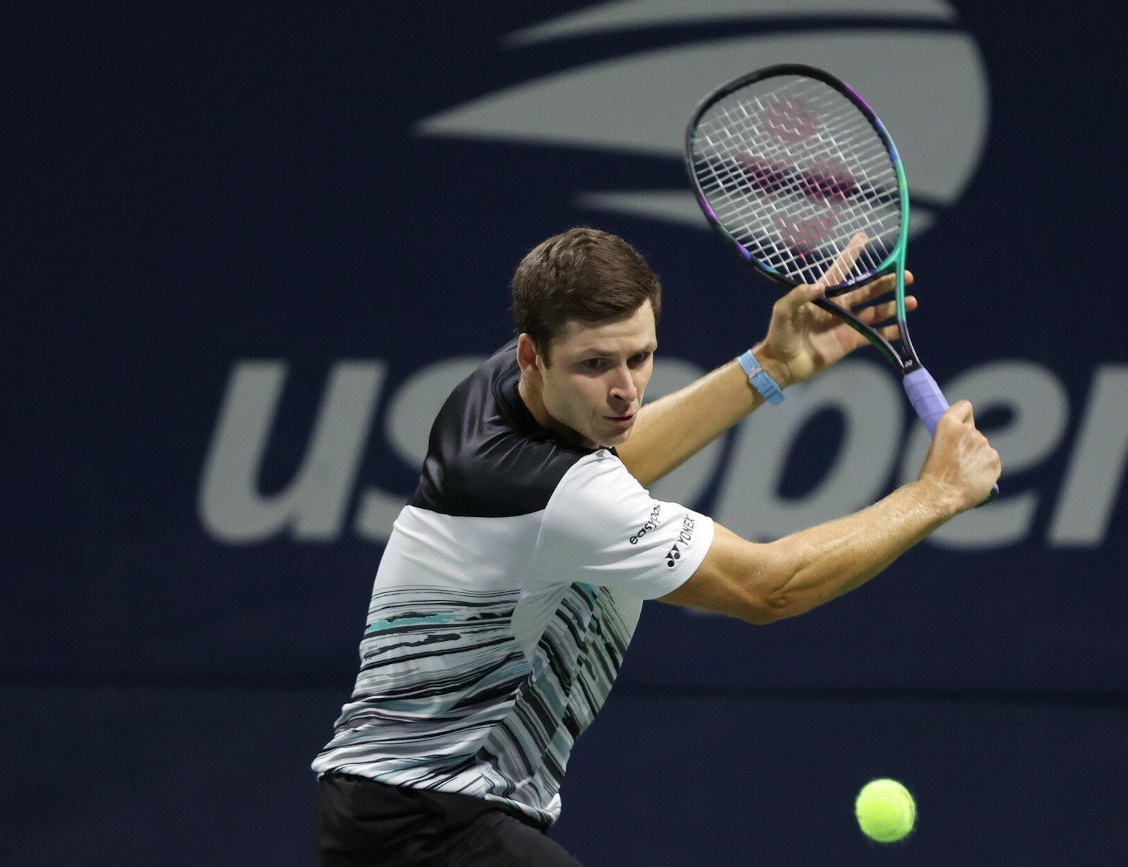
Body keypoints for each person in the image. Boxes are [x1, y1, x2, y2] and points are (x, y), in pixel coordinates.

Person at [312, 227, 1000, 865]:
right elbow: (769, 586)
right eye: (595, 364)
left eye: (640, 357)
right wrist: (935, 493)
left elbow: (615, 454)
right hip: (426, 824)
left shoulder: (499, 394)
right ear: (533, 354)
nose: (624, 388)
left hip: (405, 811)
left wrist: (772, 364)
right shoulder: (560, 495)